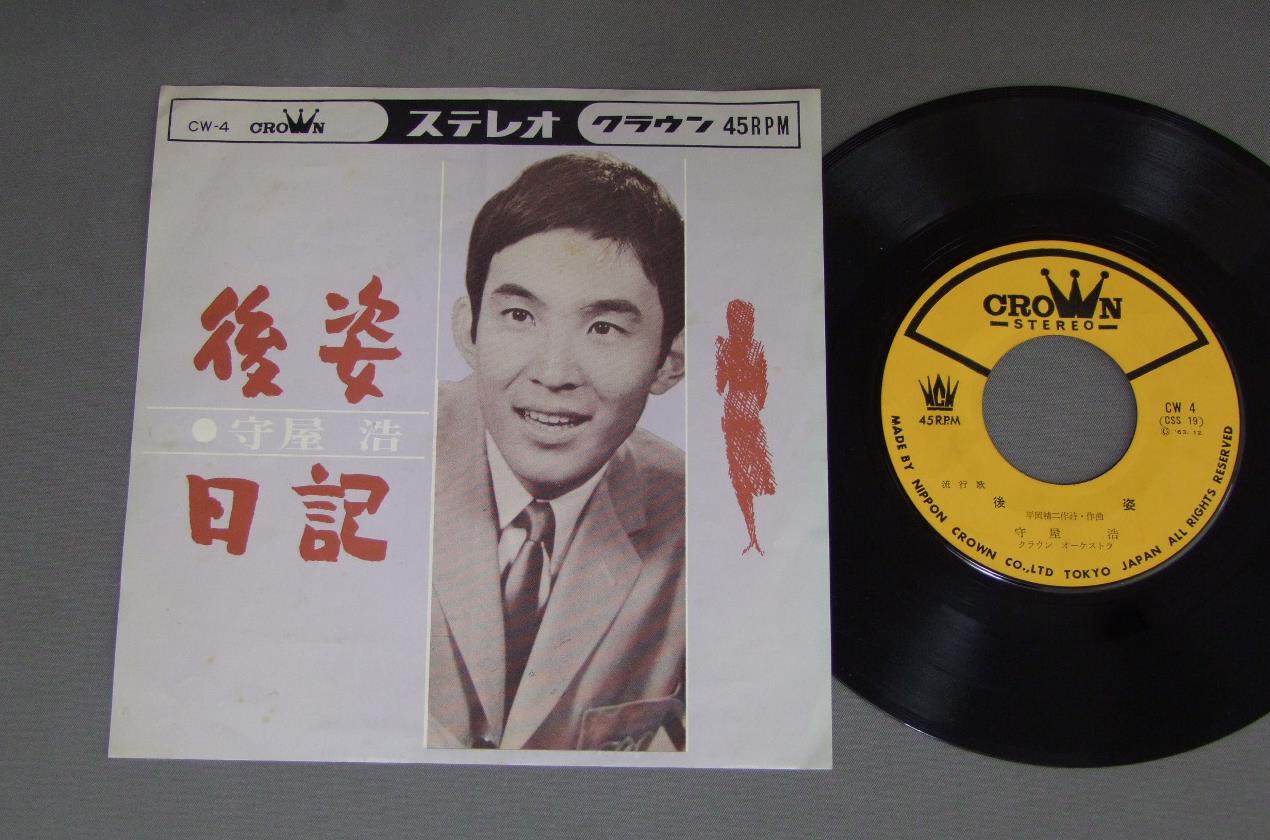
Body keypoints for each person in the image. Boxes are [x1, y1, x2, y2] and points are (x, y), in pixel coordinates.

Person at [427, 153, 686, 751]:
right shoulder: (375, 463)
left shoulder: (703, 521)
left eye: (604, 329)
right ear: (469, 331)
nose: (553, 373)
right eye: (519, 315)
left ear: (668, 362)